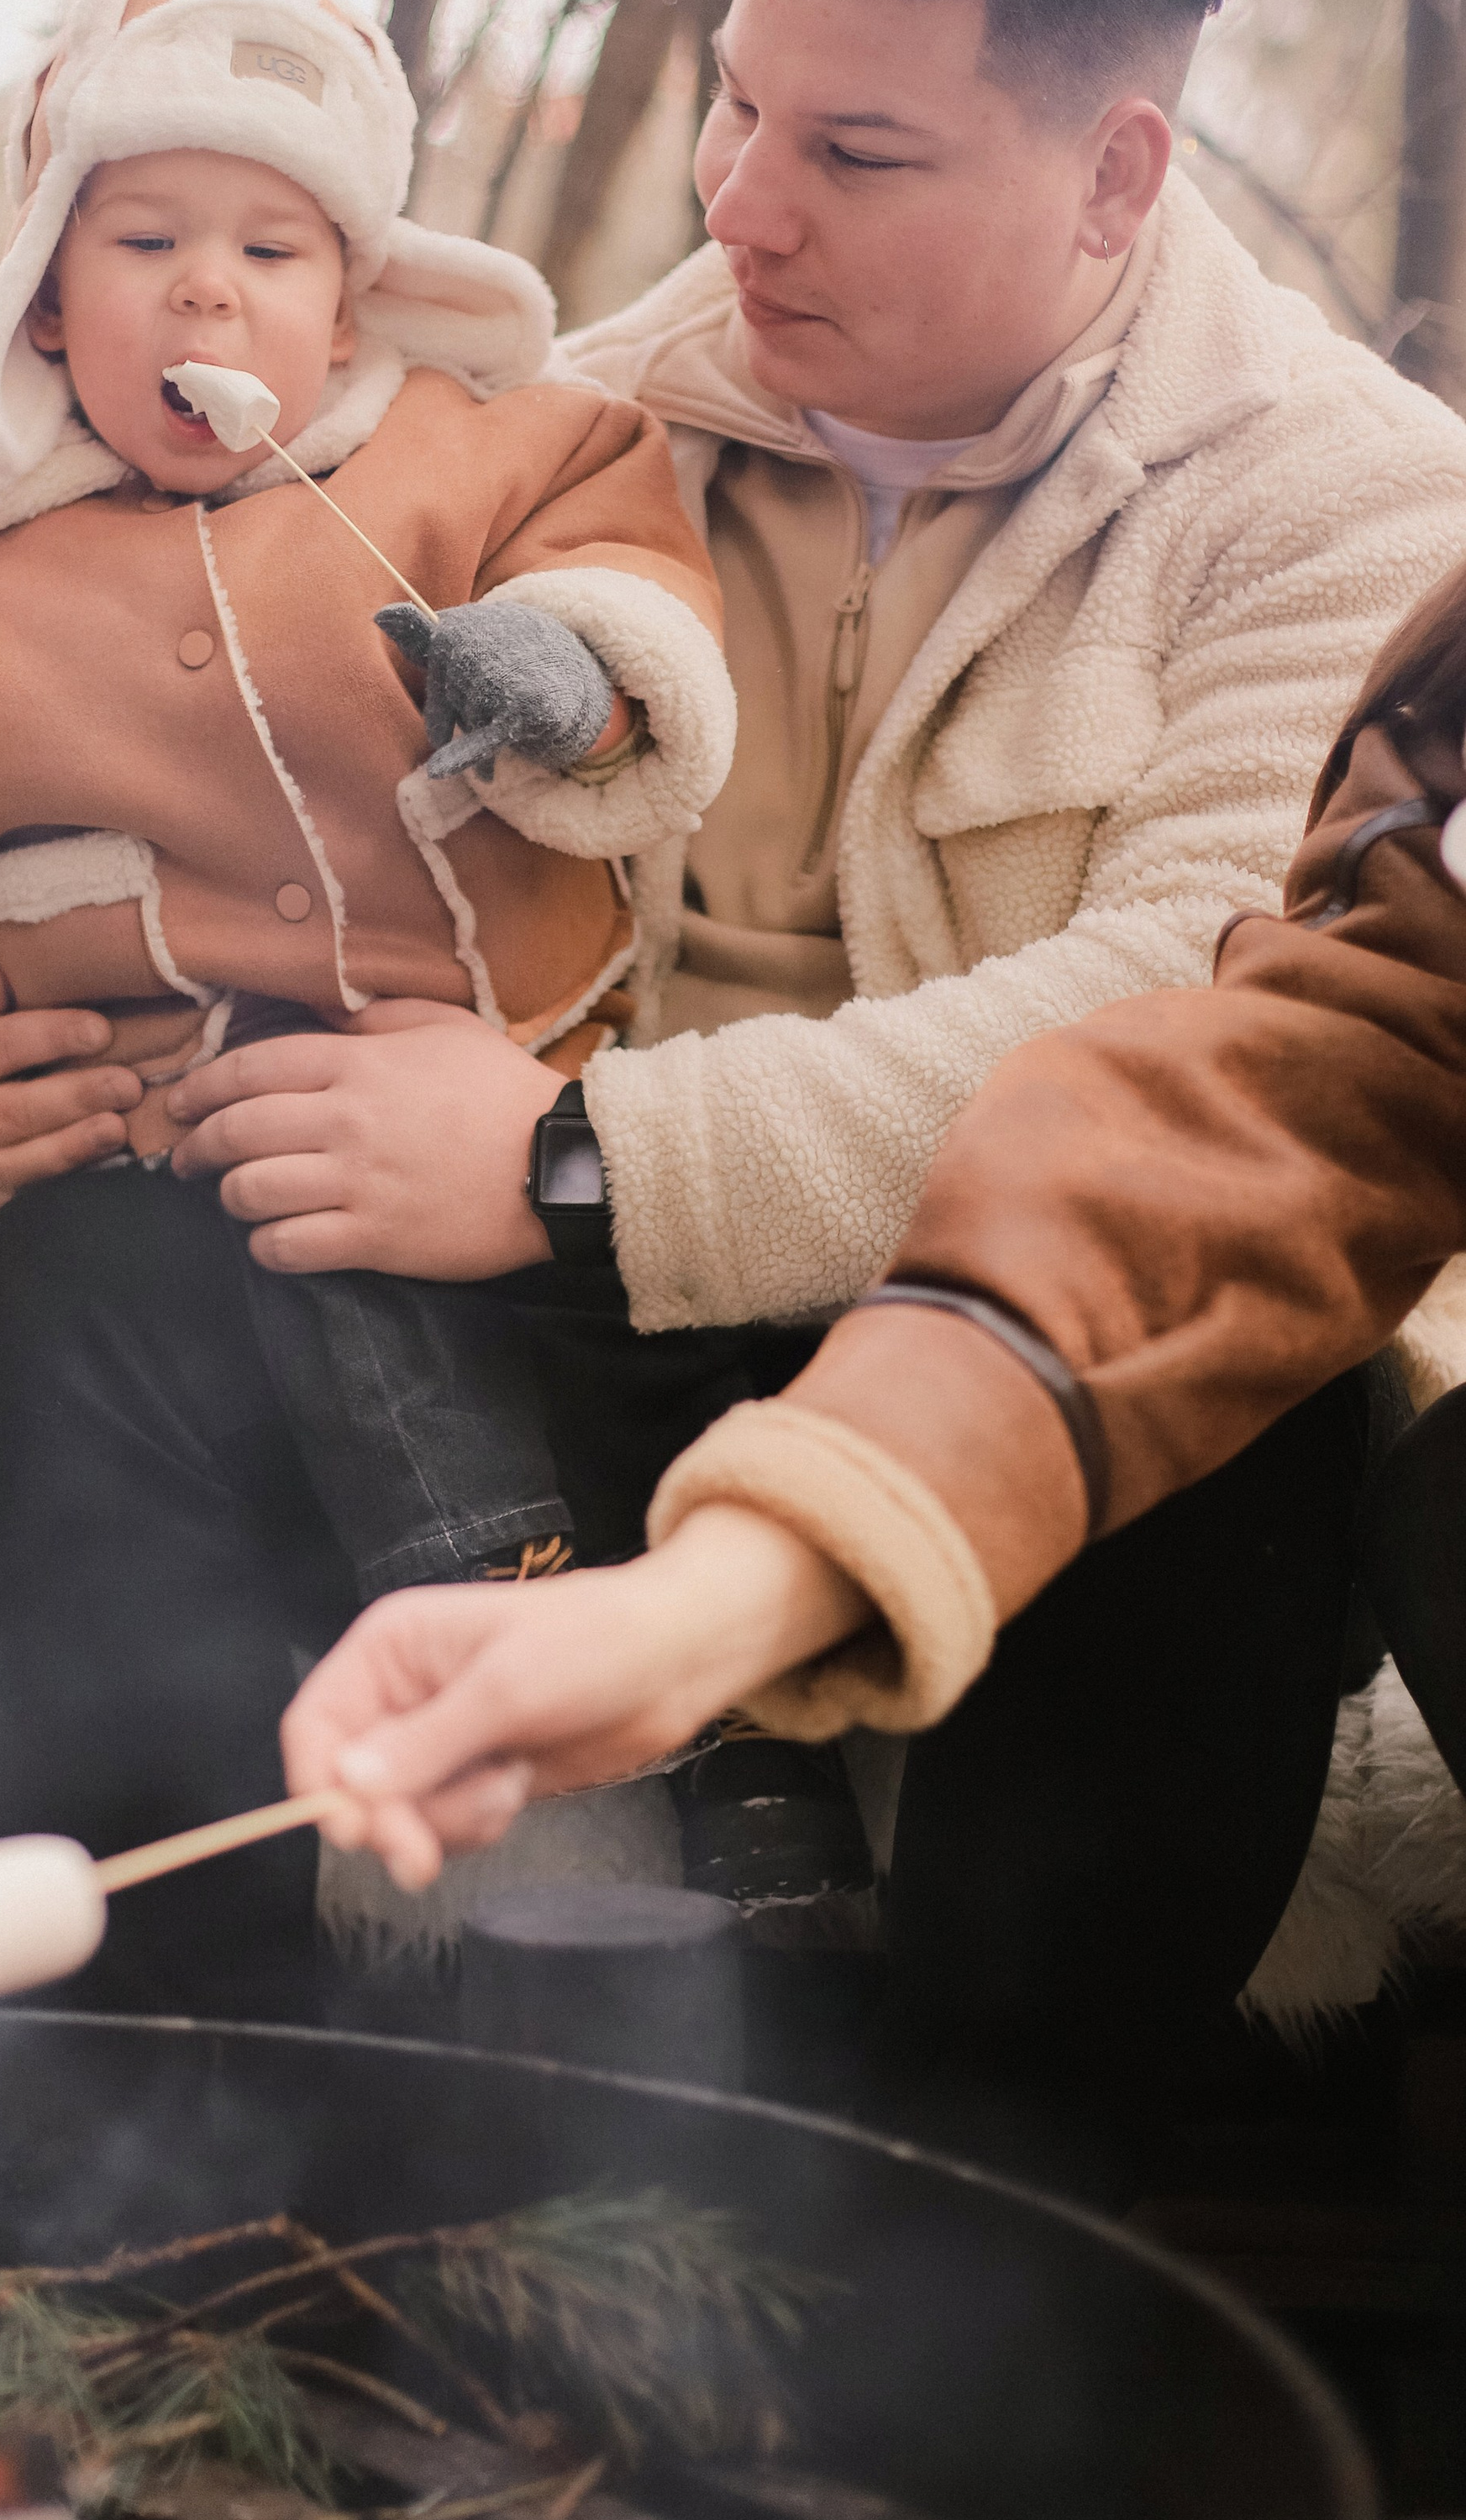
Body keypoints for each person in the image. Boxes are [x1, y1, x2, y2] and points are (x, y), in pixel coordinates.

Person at [0, 0, 1466, 2066]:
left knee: (1246, 1420)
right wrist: (48, 1035)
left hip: (1002, 1359)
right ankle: (206, 2162)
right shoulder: (539, 434)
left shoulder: (1358, 508)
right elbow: (233, 824)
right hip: (529, 1358)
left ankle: (966, 2219)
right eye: (738, 102)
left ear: (1115, 172)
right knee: (47, 1319)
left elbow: (1200, 1051)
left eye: (854, 152)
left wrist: (577, 1164)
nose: (740, 202)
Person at [0, 0, 738, 1770]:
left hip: (515, 1111)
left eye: (271, 250)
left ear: (353, 291)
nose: (208, 287)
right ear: (49, 288)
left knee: (538, 1305)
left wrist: (567, 671)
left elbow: (614, 543)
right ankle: (184, 1856)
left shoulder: (478, 445)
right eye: (145, 237)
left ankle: (593, 1626)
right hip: (172, 1160)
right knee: (54, 1316)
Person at [283, 557, 1466, 2080]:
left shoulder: (1328, 488)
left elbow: (1175, 975)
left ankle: (1014, 2145)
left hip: (760, 1245)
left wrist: (576, 1157)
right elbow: (1246, 1145)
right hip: (782, 1348)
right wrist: (703, 1608)